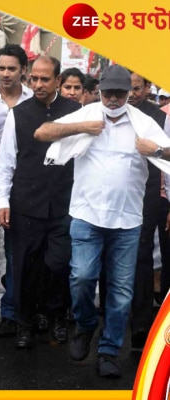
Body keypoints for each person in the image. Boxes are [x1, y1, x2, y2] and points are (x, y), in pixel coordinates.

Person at [34, 65, 170, 378]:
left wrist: (158, 149)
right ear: (100, 90)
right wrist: (80, 128)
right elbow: (42, 132)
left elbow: (167, 153)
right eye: (107, 92)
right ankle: (85, 325)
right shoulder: (88, 114)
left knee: (122, 293)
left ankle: (108, 350)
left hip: (127, 220)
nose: (112, 98)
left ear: (128, 94)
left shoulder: (143, 123)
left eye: (119, 93)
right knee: (81, 278)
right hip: (86, 215)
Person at [0, 56, 82, 349]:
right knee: (23, 267)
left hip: (64, 203)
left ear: (58, 80)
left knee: (58, 265)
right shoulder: (18, 114)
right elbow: (6, 162)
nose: (39, 84)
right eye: (34, 79)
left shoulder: (75, 112)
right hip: (25, 204)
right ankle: (26, 323)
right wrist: (3, 200)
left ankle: (57, 317)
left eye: (45, 79)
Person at [0, 44, 33, 337]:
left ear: (23, 70)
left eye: (12, 68)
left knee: (15, 250)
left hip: (22, 184)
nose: (6, 74)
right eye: (1, 68)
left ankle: (11, 310)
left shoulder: (32, 101)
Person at [126, 71, 170, 349]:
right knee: (141, 260)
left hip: (160, 193)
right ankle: (141, 326)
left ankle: (164, 325)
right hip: (134, 196)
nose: (132, 94)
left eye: (137, 88)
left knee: (168, 259)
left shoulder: (161, 116)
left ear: (147, 87)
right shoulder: (118, 112)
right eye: (127, 88)